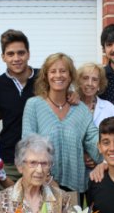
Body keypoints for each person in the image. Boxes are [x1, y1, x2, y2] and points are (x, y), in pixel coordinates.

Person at [22, 53, 101, 194]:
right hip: (42, 185)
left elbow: (94, 140)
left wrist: (108, 156)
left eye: (63, 71)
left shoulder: (81, 109)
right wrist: (48, 179)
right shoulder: (34, 105)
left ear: (70, 76)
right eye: (53, 71)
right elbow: (28, 145)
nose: (58, 75)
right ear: (46, 76)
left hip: (74, 188)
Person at [0, 29, 39, 183]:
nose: (16, 58)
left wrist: (72, 94)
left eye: (21, 53)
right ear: (3, 57)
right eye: (10, 54)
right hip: (9, 161)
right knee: (10, 206)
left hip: (40, 159)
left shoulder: (44, 78)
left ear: (28, 54)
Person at [76, 62, 114, 127]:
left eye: (94, 80)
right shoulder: (70, 105)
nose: (89, 83)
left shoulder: (110, 108)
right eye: (85, 78)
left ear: (99, 84)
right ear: (79, 81)